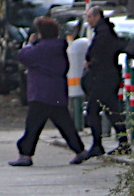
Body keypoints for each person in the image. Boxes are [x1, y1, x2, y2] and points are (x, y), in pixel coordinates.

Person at [9, 16, 89, 166]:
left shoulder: (40, 49)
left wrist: (29, 44)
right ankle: (80, 150)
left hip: (41, 93)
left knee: (33, 125)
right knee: (65, 123)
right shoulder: (59, 47)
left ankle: (25, 154)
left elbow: (23, 57)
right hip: (57, 91)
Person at [79, 7, 126, 158]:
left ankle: (98, 144)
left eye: (89, 17)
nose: (88, 20)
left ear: (97, 16)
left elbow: (98, 53)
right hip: (108, 76)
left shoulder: (103, 33)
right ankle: (123, 141)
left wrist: (91, 63)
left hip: (102, 77)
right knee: (111, 110)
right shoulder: (105, 31)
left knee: (93, 110)